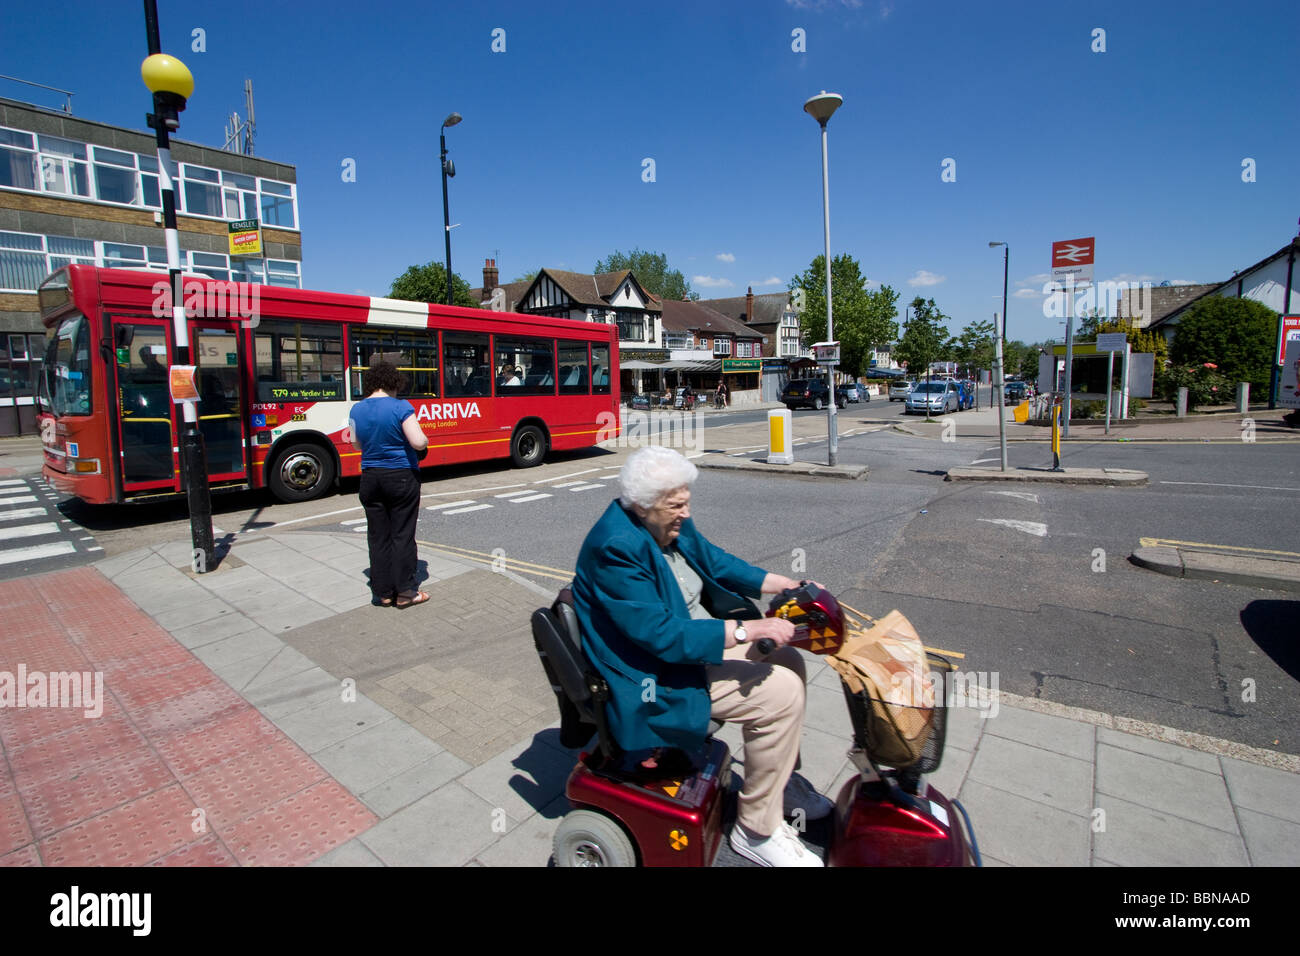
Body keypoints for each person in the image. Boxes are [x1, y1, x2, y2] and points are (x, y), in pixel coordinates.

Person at [572, 446, 832, 867]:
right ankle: (756, 831)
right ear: (641, 506)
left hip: (693, 646)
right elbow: (661, 635)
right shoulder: (616, 547)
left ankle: (778, 785)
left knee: (790, 662)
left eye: (687, 501)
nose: (686, 513)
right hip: (653, 673)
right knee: (781, 694)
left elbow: (717, 562)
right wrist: (748, 629)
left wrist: (786, 583)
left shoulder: (667, 521)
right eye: (676, 505)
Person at [348, 361, 430, 609]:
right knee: (402, 534)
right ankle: (405, 592)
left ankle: (382, 593)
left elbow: (356, 445)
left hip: (370, 477)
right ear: (394, 383)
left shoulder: (357, 410)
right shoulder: (400, 407)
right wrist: (425, 439)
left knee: (377, 536)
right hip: (400, 477)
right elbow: (417, 442)